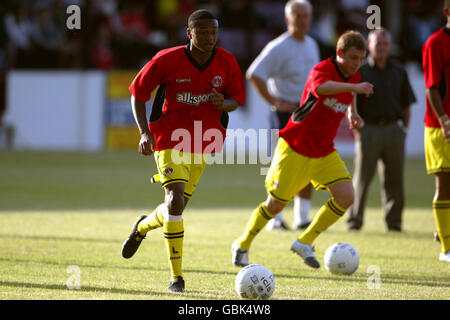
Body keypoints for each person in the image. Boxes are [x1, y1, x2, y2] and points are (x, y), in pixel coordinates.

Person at [121, 9, 246, 291]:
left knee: (173, 209)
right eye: (203, 32)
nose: (210, 38)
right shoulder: (167, 59)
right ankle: (176, 278)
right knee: (175, 199)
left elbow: (237, 99)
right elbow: (138, 93)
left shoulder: (227, 62)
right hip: (168, 137)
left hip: (205, 141)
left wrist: (222, 103)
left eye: (214, 32)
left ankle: (141, 227)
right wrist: (143, 132)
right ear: (189, 33)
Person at [233, 30, 373, 269]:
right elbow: (322, 89)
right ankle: (242, 244)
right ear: (339, 53)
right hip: (295, 147)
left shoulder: (354, 77)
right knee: (275, 205)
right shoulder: (322, 70)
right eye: (352, 57)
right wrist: (358, 88)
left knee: (346, 196)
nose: (357, 63)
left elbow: (349, 94)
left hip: (323, 151)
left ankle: (304, 242)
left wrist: (353, 112)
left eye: (360, 58)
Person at [246, 0, 320, 231]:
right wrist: (274, 102)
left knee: (307, 164)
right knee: (281, 166)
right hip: (284, 115)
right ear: (287, 19)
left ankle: (302, 217)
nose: (302, 19)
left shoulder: (311, 44)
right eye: (297, 15)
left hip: (307, 113)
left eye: (305, 15)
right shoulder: (279, 47)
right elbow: (254, 74)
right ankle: (274, 219)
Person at [346, 28, 416, 232]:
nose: (382, 48)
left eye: (386, 44)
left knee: (394, 180)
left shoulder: (399, 71)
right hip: (369, 130)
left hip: (394, 130)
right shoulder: (361, 72)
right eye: (378, 44)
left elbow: (407, 105)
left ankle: (394, 223)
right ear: (369, 45)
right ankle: (354, 221)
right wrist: (358, 132)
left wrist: (404, 131)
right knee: (361, 179)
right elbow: (350, 101)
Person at [422, 0, 450, 262]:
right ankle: (446, 250)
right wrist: (443, 118)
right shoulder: (435, 43)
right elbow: (431, 87)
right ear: (447, 12)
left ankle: (443, 232)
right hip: (440, 125)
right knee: (444, 184)